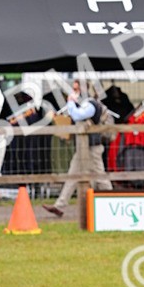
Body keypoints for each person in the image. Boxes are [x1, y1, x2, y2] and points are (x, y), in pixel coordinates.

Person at [44, 84, 112, 217]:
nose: (73, 92)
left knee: (100, 177)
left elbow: (76, 115)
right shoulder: (87, 104)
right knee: (72, 176)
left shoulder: (91, 105)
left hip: (92, 148)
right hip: (83, 148)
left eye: (76, 89)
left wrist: (70, 102)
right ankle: (59, 206)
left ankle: (114, 202)